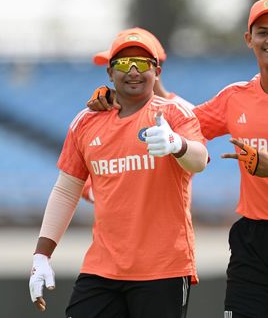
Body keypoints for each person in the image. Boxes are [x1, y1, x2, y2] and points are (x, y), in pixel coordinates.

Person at [87, 0, 268, 318]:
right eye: (262, 32)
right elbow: (181, 122)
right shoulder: (235, 96)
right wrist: (118, 98)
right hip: (254, 240)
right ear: (249, 40)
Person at [29, 29, 208, 318]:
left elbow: (199, 160)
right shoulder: (85, 122)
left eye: (142, 63)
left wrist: (177, 144)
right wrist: (41, 255)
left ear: (157, 71)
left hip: (163, 269)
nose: (134, 70)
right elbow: (66, 189)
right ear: (110, 73)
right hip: (102, 269)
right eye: (124, 64)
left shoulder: (175, 113)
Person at [82, 27, 194, 203]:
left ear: (156, 69)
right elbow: (86, 171)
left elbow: (195, 161)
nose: (129, 72)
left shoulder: (183, 112)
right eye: (120, 65)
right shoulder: (111, 108)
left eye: (136, 63)